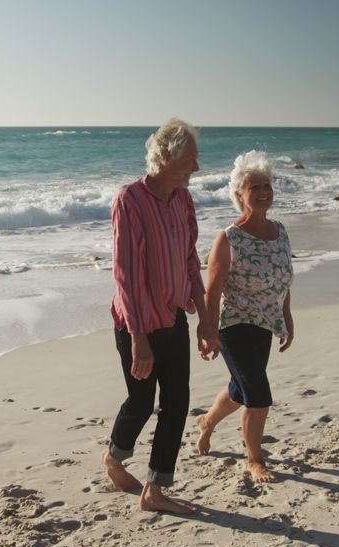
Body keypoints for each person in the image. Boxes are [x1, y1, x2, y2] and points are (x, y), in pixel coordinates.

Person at [102, 119, 211, 514]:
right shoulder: (129, 200)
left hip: (173, 317)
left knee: (178, 402)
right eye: (190, 160)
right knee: (141, 401)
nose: (195, 169)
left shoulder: (183, 199)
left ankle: (155, 490)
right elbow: (125, 275)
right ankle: (114, 458)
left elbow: (189, 261)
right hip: (137, 324)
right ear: (166, 156)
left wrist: (206, 319)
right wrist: (139, 339)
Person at [198, 150, 295, 483]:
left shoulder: (280, 232)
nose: (263, 191)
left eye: (267, 184)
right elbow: (212, 291)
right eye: (254, 186)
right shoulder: (229, 239)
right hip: (234, 326)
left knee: (241, 390)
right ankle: (254, 460)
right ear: (239, 194)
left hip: (265, 325)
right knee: (259, 395)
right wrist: (208, 331)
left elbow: (284, 277)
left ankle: (207, 421)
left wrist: (287, 316)